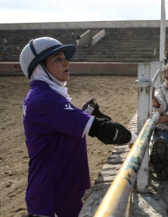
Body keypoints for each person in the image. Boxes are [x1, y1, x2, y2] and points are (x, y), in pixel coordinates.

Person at [19, 37, 137, 217]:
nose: (67, 62)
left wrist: (85, 114)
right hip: (53, 200)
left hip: (56, 193)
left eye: (65, 57)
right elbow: (104, 132)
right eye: (58, 59)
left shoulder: (44, 94)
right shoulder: (45, 99)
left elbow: (58, 129)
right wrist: (136, 139)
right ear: (39, 67)